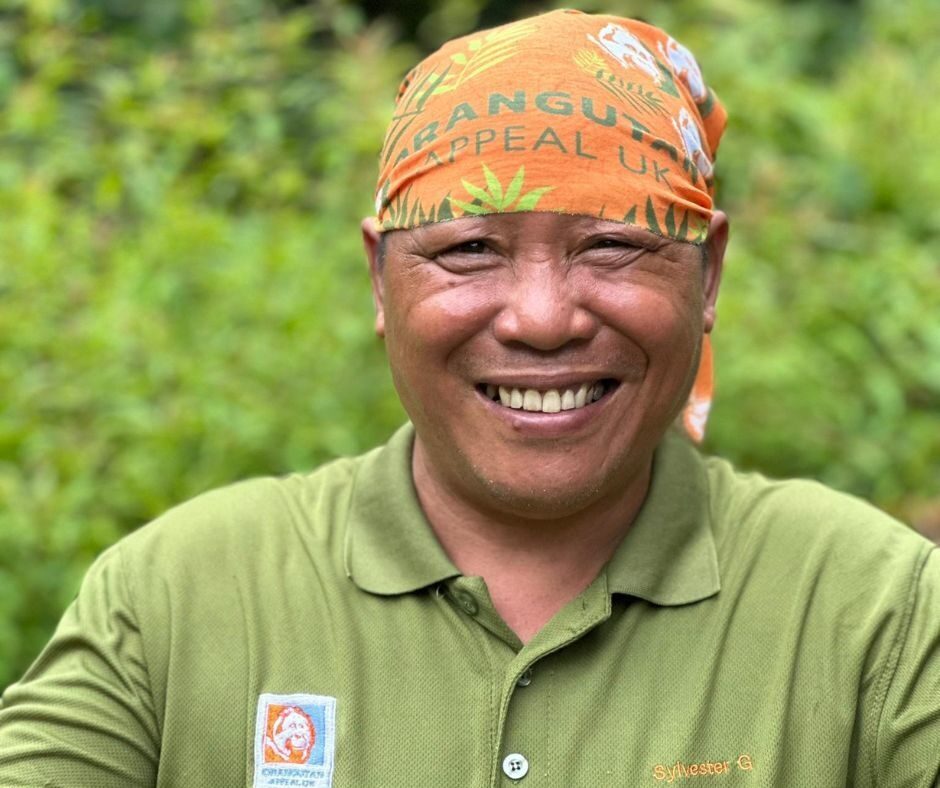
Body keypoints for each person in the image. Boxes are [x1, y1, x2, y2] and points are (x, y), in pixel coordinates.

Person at [1, 9, 938, 788]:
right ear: (380, 279)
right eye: (470, 250)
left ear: (708, 275)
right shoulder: (180, 602)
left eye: (612, 245)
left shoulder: (878, 617)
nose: (542, 319)